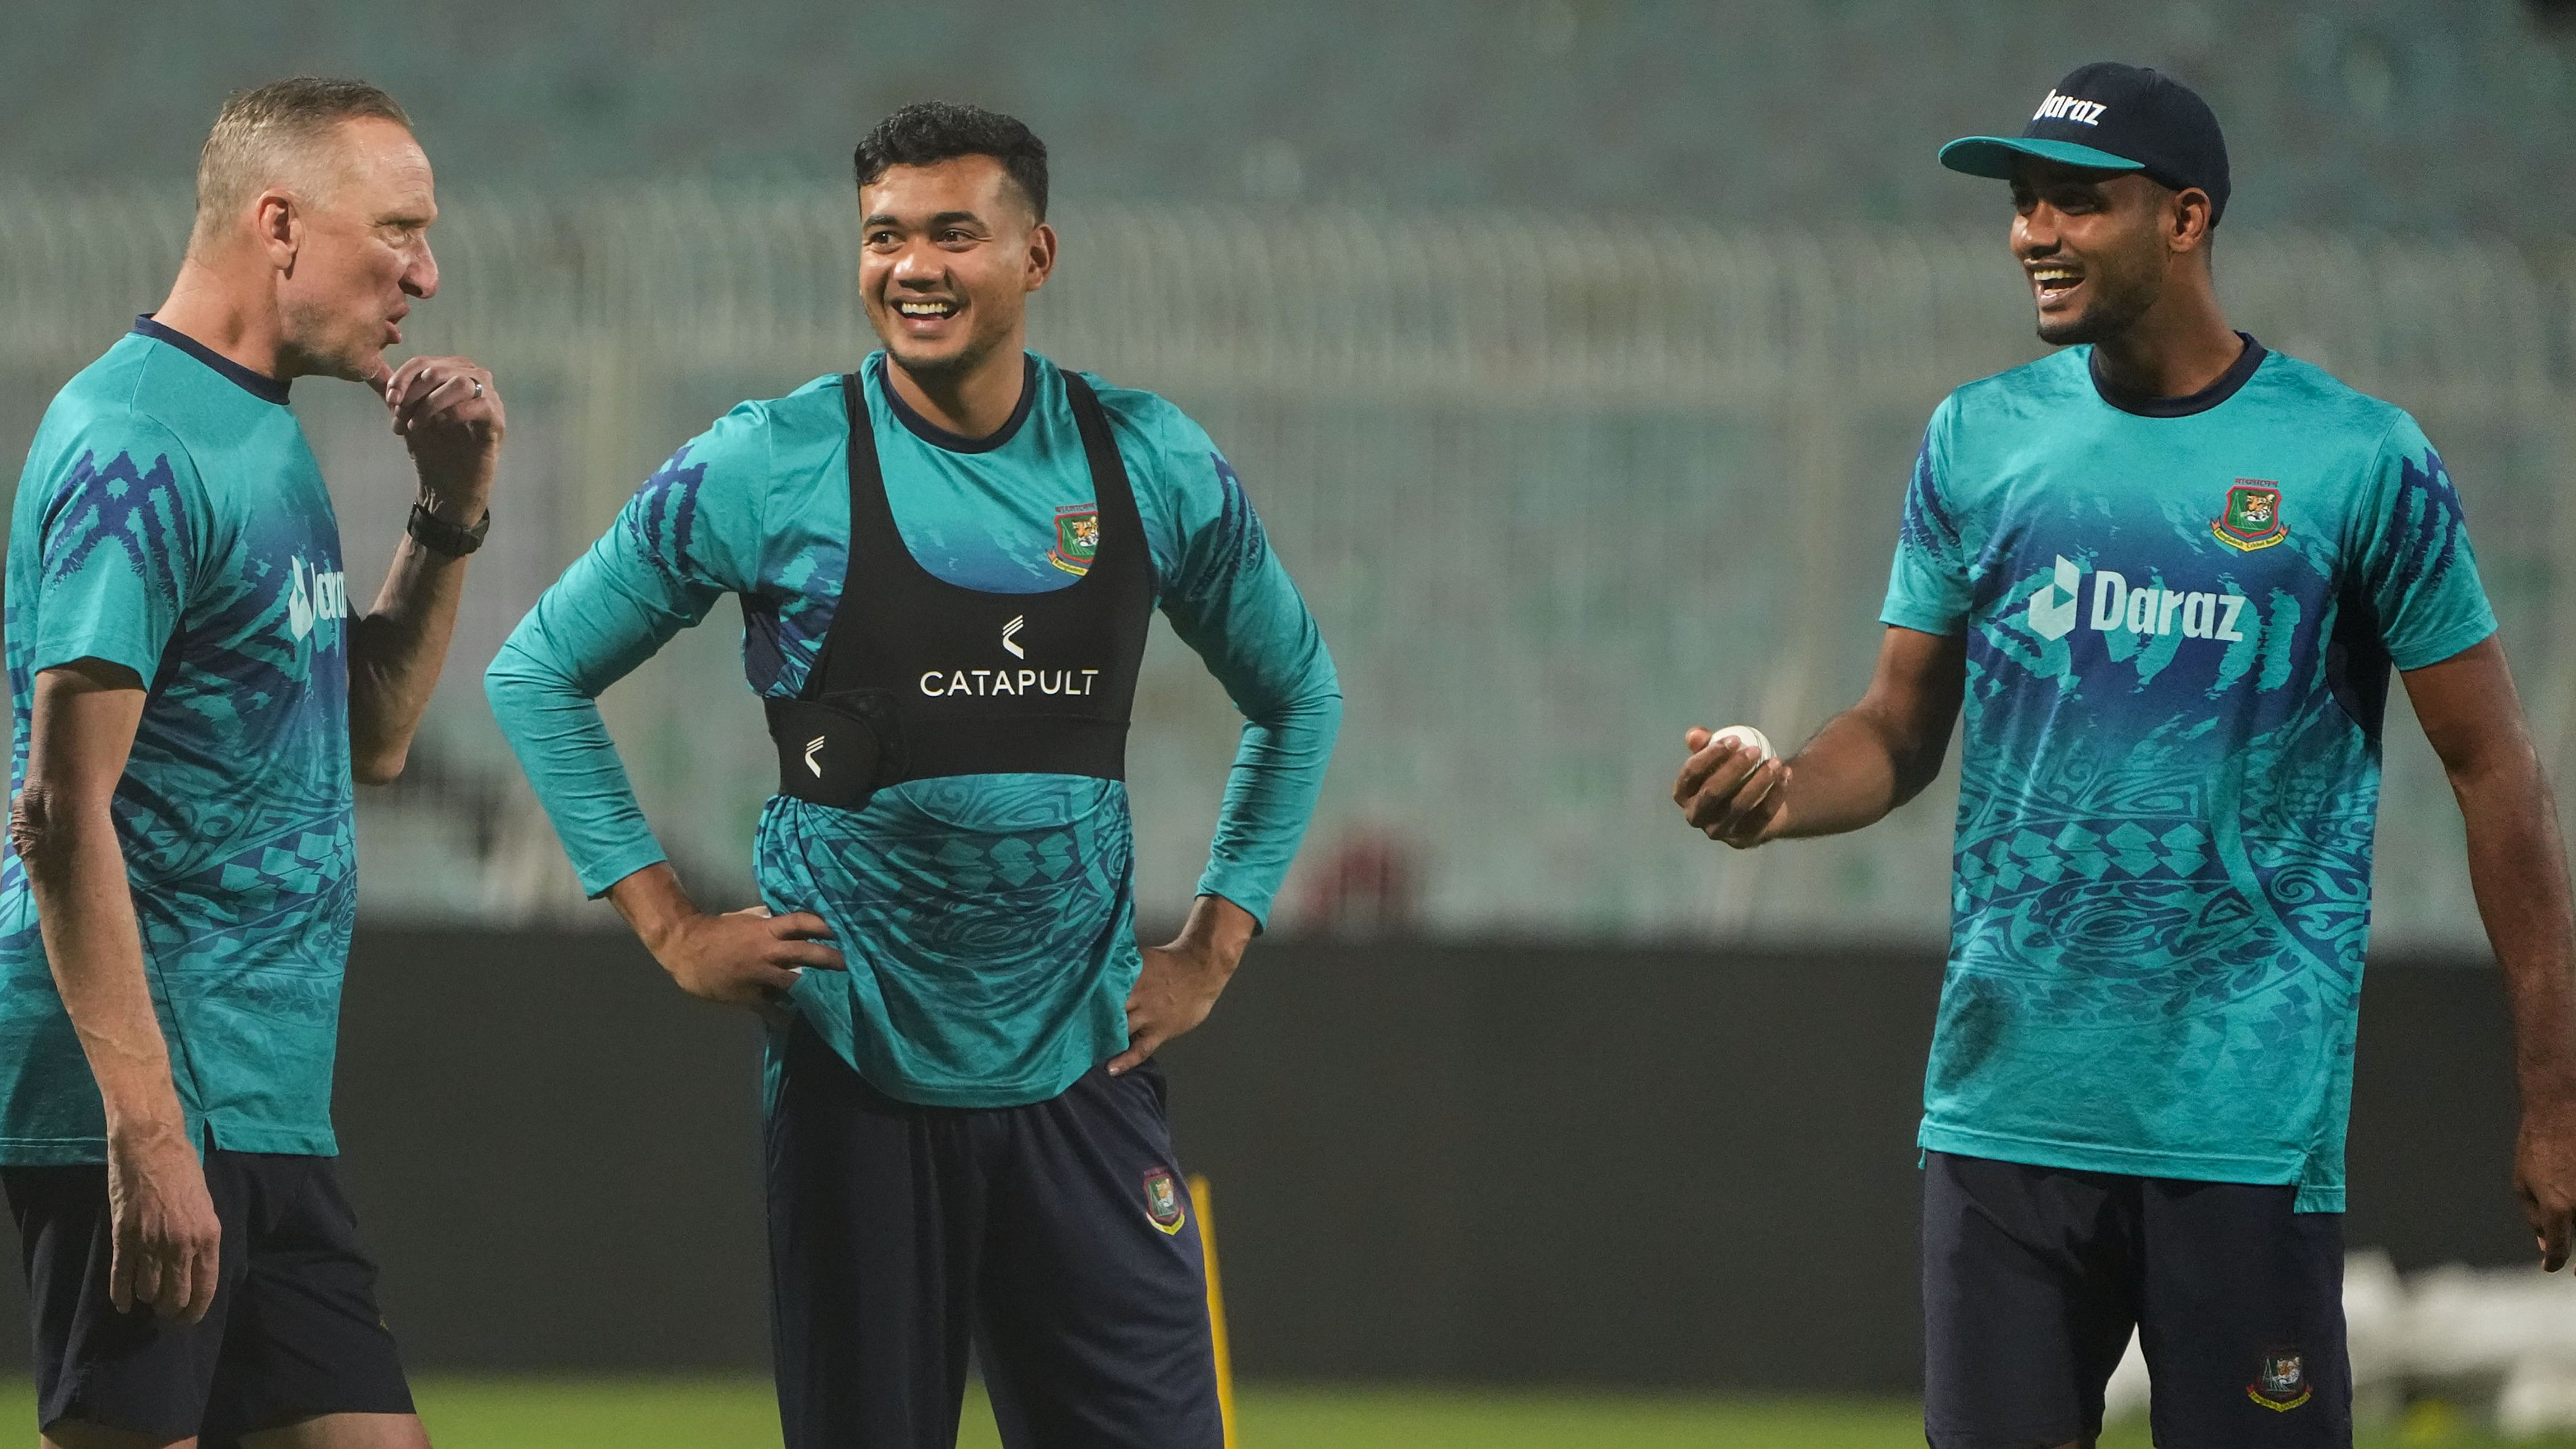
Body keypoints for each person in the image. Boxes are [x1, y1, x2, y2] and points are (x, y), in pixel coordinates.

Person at [1672, 62, 2576, 1449]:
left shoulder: (2357, 462)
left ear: (2186, 218)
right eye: (2024, 201)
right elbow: (1899, 727)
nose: (2034, 229)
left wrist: (2555, 1095)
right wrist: (1782, 793)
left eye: (2077, 203)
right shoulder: (1978, 441)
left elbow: (2496, 769)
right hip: (2003, 1116)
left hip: (2244, 1132)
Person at [485, 100, 1339, 1449]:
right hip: (855, 1087)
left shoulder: (1149, 458)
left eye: (955, 232)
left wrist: (1215, 944)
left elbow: (1300, 694)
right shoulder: (766, 462)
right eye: (885, 236)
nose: (914, 267)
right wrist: (669, 925)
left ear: (1037, 255)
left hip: (1084, 1081)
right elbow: (534, 671)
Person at [1, 77, 504, 1449]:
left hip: (265, 1087)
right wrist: (148, 1128)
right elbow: (59, 809)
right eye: (397, 230)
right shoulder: (138, 445)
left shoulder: (263, 432)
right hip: (155, 1078)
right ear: (279, 224)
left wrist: (449, 513)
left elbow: (370, 741)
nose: (427, 272)